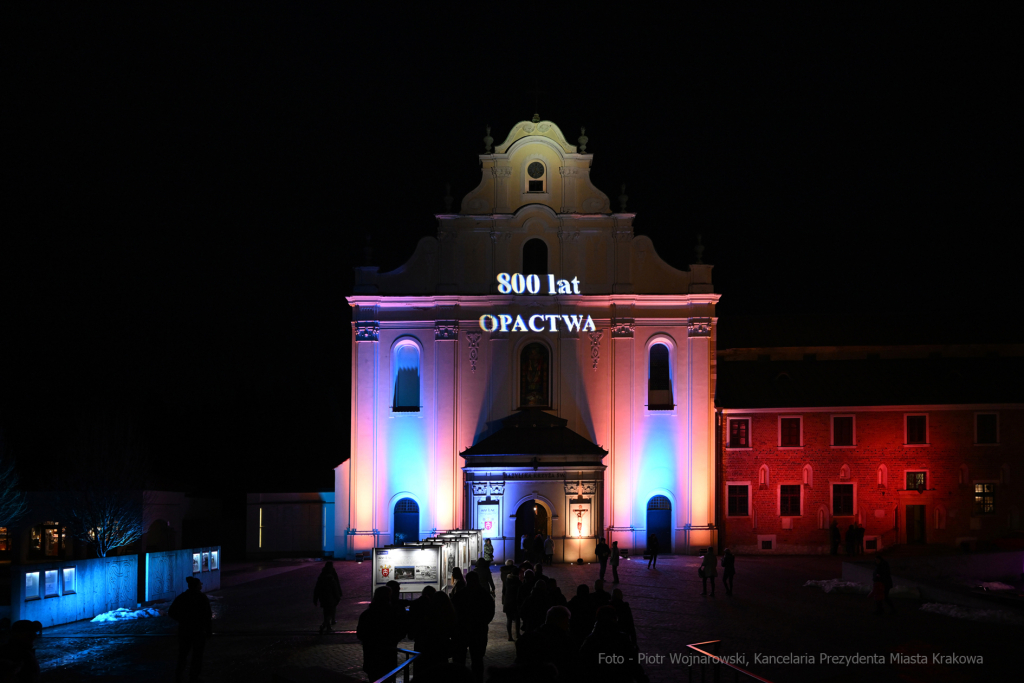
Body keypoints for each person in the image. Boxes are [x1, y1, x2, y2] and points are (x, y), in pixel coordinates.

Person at [451, 571, 495, 682]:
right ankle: (477, 679)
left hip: (462, 631)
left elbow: (453, 611)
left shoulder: (460, 595)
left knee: (460, 660)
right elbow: (490, 612)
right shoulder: (484, 595)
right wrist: (483, 622)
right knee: (477, 659)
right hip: (479, 631)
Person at [169, 576, 212, 683]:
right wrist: (208, 630)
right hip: (198, 630)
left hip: (184, 630)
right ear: (197, 586)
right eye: (200, 584)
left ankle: (179, 675)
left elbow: (171, 612)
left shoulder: (182, 597)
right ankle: (194, 677)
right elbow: (207, 615)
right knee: (197, 655)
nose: (201, 585)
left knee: (183, 654)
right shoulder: (202, 598)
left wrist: (182, 620)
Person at [514, 605, 578, 679]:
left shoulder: (530, 636)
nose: (568, 625)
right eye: (567, 621)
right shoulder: (565, 642)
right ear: (561, 621)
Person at [579, 606, 638, 683]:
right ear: (614, 619)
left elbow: (582, 663)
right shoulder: (622, 638)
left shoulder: (591, 640)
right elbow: (633, 662)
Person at [357, 586, 404, 682]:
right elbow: (400, 632)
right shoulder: (393, 614)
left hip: (371, 654)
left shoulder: (367, 614)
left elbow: (360, 634)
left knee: (374, 678)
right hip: (388, 654)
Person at [313, 561, 343, 635]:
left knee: (326, 612)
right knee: (330, 611)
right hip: (331, 598)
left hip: (323, 597)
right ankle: (325, 625)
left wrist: (315, 598)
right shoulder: (332, 577)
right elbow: (336, 586)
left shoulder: (321, 576)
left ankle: (328, 626)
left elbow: (317, 588)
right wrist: (338, 595)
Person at [503, 571, 522, 641]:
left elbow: (503, 591)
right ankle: (517, 634)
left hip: (508, 602)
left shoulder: (507, 581)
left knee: (509, 619)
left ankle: (510, 636)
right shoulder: (518, 582)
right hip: (516, 602)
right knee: (517, 619)